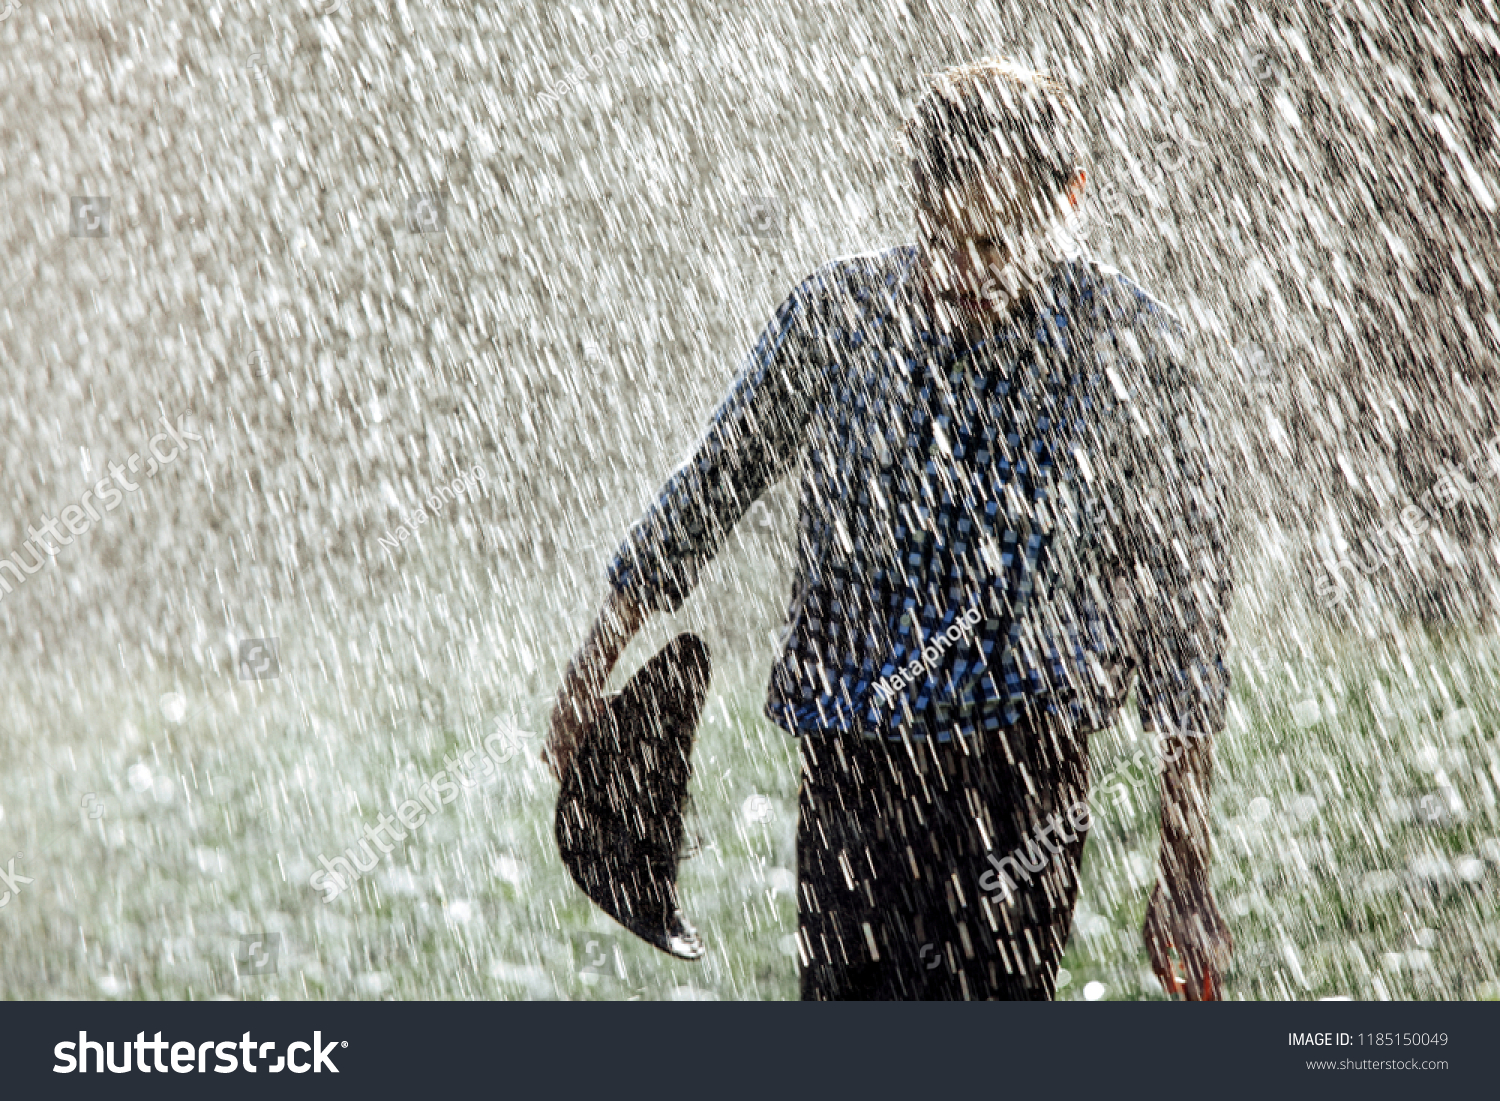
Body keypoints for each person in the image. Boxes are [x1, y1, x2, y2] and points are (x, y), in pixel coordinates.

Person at [547, 57, 1233, 1000]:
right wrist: (596, 658)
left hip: (1021, 776)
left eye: (994, 245)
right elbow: (708, 488)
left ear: (1070, 201)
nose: (962, 276)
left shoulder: (1123, 346)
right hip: (854, 774)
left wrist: (1185, 865)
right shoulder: (839, 320)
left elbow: (1184, 609)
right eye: (942, 240)